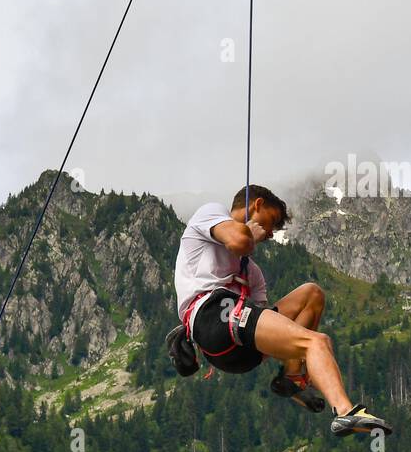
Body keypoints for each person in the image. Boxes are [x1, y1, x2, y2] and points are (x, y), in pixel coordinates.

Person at [166, 185, 392, 438]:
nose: (272, 233)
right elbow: (238, 241)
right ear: (257, 204)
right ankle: (346, 411)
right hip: (211, 315)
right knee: (316, 342)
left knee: (312, 294)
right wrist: (248, 233)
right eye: (271, 222)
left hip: (241, 350)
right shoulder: (211, 212)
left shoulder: (252, 273)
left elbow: (263, 321)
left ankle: (292, 376)